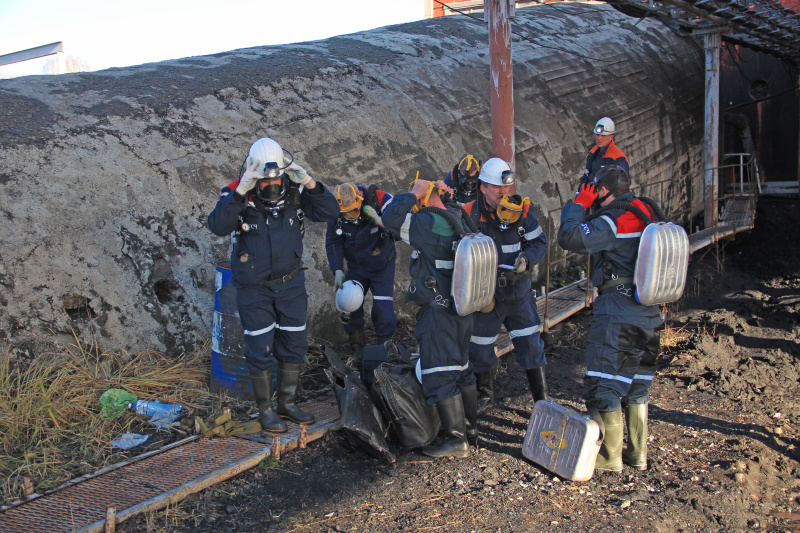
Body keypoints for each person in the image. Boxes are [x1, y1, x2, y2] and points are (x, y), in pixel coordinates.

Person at [208, 137, 340, 433]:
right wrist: (242, 189)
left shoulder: (294, 191)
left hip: (291, 284)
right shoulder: (235, 193)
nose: (272, 185)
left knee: (294, 343)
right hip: (253, 288)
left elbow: (330, 211)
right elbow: (217, 225)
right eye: (265, 180)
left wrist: (308, 181)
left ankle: (288, 403)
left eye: (277, 178)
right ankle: (265, 410)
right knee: (260, 347)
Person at [557, 165, 662, 472]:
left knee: (607, 384)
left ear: (601, 190)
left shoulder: (614, 220)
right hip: (649, 312)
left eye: (593, 188)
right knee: (637, 385)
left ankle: (610, 457)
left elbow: (570, 237)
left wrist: (577, 204)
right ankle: (637, 454)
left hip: (618, 311)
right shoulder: (648, 211)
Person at [381, 178, 478, 459]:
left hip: (438, 314)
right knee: (461, 369)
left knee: (438, 373)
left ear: (425, 199)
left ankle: (456, 439)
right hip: (462, 309)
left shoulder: (427, 225)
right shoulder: (458, 217)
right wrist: (444, 197)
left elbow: (391, 219)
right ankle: (470, 430)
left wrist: (412, 194)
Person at [462, 158, 550, 415]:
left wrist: (527, 260)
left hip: (518, 291)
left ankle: (542, 401)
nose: (503, 193)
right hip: (487, 296)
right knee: (479, 348)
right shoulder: (470, 213)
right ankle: (484, 397)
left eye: (506, 188)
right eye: (497, 188)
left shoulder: (522, 210)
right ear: (483, 188)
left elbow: (540, 243)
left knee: (531, 345)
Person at [325, 183, 397, 363]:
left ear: (359, 199)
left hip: (382, 264)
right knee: (348, 301)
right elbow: (333, 241)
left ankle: (384, 347)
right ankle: (357, 346)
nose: (351, 216)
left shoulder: (380, 200)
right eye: (346, 213)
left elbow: (401, 226)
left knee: (383, 307)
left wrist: (382, 221)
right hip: (356, 265)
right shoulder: (336, 212)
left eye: (354, 211)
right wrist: (338, 270)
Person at [578, 117, 629, 189]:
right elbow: (587, 176)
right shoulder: (593, 152)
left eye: (603, 136)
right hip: (588, 195)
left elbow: (623, 186)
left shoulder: (617, 157)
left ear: (611, 137)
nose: (599, 139)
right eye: (597, 135)